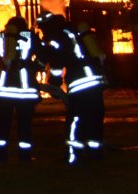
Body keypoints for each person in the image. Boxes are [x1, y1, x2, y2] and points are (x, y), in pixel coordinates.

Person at [35, 12, 108, 164]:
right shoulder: (74, 30)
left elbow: (56, 63)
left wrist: (54, 83)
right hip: (95, 81)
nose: (42, 32)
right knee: (94, 118)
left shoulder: (57, 37)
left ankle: (74, 157)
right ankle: (96, 156)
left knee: (75, 120)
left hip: (79, 83)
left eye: (42, 29)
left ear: (46, 26)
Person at [0, 15, 43, 162]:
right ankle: (24, 157)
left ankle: (1, 156)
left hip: (3, 92)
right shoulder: (30, 36)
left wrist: (6, 67)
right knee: (25, 125)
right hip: (25, 93)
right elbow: (43, 57)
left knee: (2, 125)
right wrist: (33, 67)